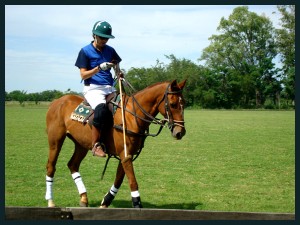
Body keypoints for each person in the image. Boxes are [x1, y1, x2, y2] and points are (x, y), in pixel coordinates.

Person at [75, 20, 123, 157]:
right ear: (94, 35)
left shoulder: (110, 50)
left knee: (123, 107)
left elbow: (116, 64)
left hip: (109, 88)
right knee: (101, 109)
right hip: (93, 88)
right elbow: (83, 75)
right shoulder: (85, 51)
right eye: (101, 37)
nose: (104, 40)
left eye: (106, 38)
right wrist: (98, 68)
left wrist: (118, 73)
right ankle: (96, 145)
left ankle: (118, 139)